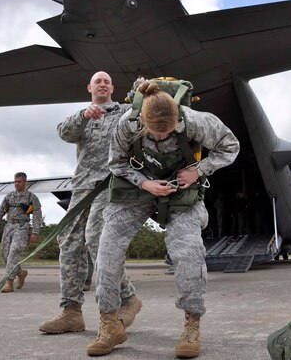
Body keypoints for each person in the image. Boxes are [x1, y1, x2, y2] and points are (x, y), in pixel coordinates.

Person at [87, 81, 240, 358]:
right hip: (139, 186)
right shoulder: (127, 124)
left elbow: (230, 146)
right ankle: (109, 323)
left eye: (167, 131)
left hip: (183, 186)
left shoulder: (196, 122)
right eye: (155, 131)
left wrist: (199, 170)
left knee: (188, 252)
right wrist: (145, 184)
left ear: (178, 119)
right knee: (107, 248)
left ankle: (192, 324)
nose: (161, 136)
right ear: (142, 120)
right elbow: (117, 163)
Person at [39, 71, 141, 334]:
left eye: (107, 81)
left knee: (96, 238)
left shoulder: (123, 111)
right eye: (98, 81)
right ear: (89, 88)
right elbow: (63, 132)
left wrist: (143, 91)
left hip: (110, 183)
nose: (103, 84)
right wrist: (84, 116)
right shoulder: (82, 117)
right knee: (69, 242)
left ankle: (128, 299)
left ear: (112, 87)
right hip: (82, 186)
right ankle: (71, 311)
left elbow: (142, 112)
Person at [0, 171, 42, 293]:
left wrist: (35, 231)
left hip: (21, 227)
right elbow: (0, 212)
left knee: (13, 253)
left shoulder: (31, 197)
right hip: (8, 226)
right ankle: (20, 272)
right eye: (15, 181)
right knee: (5, 254)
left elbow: (37, 215)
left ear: (25, 182)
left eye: (19, 181)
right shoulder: (9, 196)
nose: (16, 184)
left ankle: (9, 282)